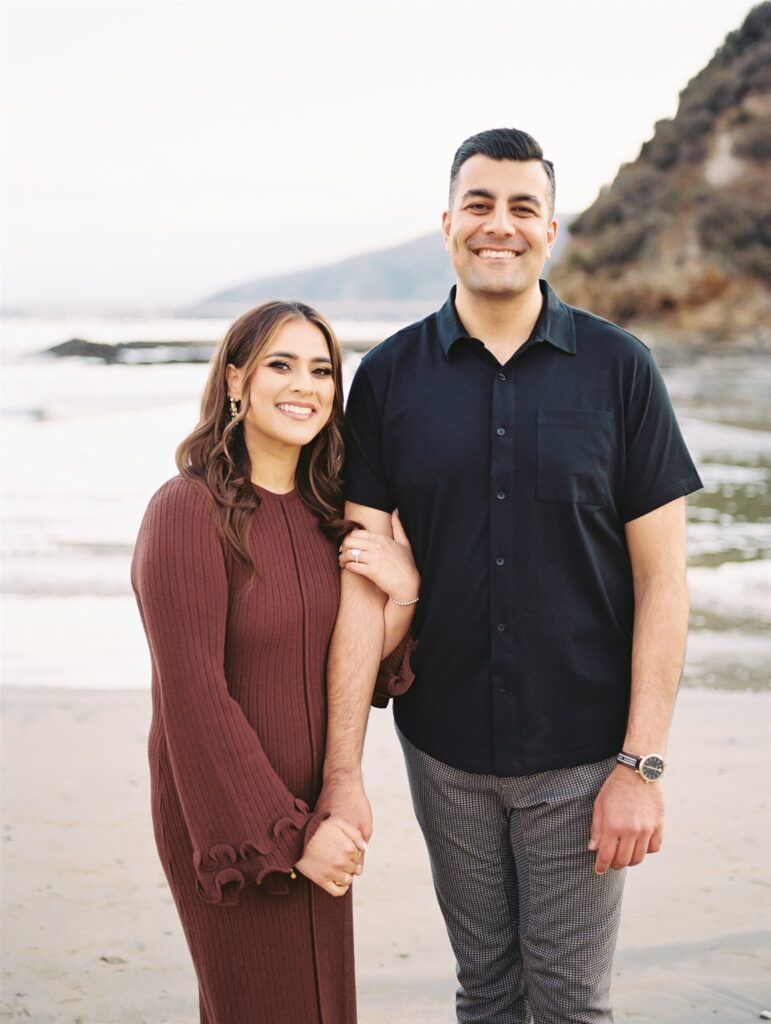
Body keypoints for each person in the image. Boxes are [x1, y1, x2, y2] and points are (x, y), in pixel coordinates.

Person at [322, 128, 703, 1023]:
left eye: (522, 207)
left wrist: (640, 767)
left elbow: (663, 583)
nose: (500, 224)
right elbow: (360, 581)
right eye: (480, 204)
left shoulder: (620, 370)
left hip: (583, 753)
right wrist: (342, 768)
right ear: (447, 223)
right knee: (485, 993)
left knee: (569, 1003)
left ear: (550, 230)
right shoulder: (387, 377)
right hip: (442, 750)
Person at [131, 300, 419, 1024]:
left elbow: (356, 667)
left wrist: (406, 592)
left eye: (321, 370)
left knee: (322, 1007)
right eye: (281, 365)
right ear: (236, 380)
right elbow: (193, 697)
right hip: (229, 811)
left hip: (320, 804)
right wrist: (288, 836)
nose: (305, 386)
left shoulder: (329, 515)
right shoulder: (186, 510)